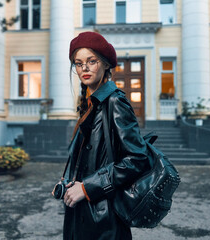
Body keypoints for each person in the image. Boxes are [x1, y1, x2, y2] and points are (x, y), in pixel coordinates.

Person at [53, 32, 150, 240]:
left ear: (106, 65)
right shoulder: (90, 103)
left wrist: (88, 187)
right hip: (82, 212)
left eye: (91, 61)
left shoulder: (115, 102)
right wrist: (70, 182)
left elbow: (137, 159)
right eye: (78, 64)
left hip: (105, 219)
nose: (84, 68)